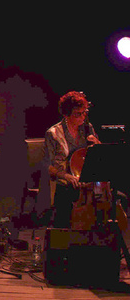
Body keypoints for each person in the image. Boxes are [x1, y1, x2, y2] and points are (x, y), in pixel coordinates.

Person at [44, 90, 99, 228]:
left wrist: (97, 144)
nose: (82, 117)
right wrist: (68, 176)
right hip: (64, 182)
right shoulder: (54, 133)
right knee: (68, 198)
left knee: (117, 198)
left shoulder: (87, 128)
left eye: (84, 112)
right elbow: (47, 166)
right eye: (77, 114)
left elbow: (99, 157)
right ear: (66, 114)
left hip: (87, 181)